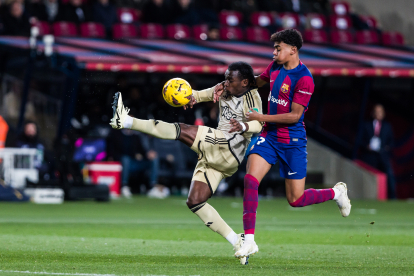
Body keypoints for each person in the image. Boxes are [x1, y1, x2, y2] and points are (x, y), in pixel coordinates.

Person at [213, 29, 351, 259]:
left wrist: (260, 118)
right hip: (269, 137)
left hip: (293, 142)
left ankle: (336, 193)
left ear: (293, 50)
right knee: (250, 179)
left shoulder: (304, 78)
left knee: (295, 200)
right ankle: (249, 240)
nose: (274, 52)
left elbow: (295, 116)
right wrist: (226, 85)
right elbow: (254, 82)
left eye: (278, 48)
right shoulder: (275, 67)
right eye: (274, 48)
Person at [110, 61, 264, 264]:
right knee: (195, 201)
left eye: (230, 79)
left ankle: (127, 120)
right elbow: (201, 95)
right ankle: (237, 240)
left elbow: (258, 124)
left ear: (244, 82)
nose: (225, 82)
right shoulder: (225, 88)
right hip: (216, 155)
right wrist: (190, 97)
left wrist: (244, 125)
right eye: (225, 78)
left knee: (180, 130)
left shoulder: (251, 96)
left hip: (229, 148)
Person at [107, 125, 160, 199]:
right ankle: (124, 186)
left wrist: (147, 154)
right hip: (123, 163)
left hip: (135, 162)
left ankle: (152, 187)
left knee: (154, 159)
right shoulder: (117, 135)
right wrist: (134, 154)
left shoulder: (136, 136)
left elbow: (142, 150)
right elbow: (115, 151)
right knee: (126, 159)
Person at [360, 104, 396, 199]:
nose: (378, 114)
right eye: (376, 111)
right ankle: (368, 197)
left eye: (380, 112)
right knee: (368, 178)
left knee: (389, 176)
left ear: (383, 114)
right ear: (372, 113)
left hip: (383, 155)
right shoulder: (366, 125)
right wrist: (366, 146)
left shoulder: (387, 126)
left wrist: (385, 148)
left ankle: (392, 198)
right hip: (370, 156)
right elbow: (360, 140)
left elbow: (391, 142)